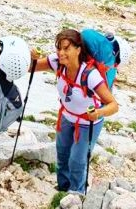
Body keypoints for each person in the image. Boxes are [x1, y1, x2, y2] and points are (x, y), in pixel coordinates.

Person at [30, 29, 120, 195]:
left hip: (88, 123)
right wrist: (32, 58)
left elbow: (113, 105)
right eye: (59, 48)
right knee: (62, 155)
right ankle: (63, 189)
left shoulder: (90, 75)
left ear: (78, 50)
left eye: (66, 48)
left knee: (77, 161)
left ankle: (77, 194)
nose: (61, 53)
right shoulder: (57, 62)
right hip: (66, 117)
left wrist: (98, 113)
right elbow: (31, 67)